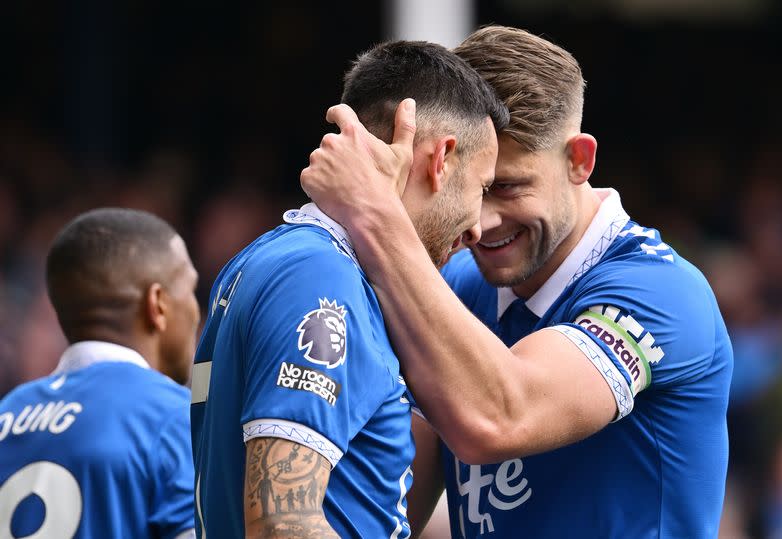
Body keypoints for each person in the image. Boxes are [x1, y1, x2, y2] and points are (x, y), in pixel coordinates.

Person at [300, 25, 734, 538]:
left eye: (504, 187)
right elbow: (384, 505)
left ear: (580, 160)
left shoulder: (662, 294)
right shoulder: (455, 287)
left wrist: (376, 216)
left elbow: (501, 417)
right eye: (471, 188)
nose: (480, 223)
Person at [190, 40, 508, 538]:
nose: (478, 227)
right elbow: (281, 523)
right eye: (483, 187)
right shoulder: (320, 276)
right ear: (442, 158)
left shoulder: (266, 258)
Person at [0, 208, 199, 538]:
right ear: (158, 303)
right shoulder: (170, 417)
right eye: (190, 290)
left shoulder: (7, 414)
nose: (196, 310)